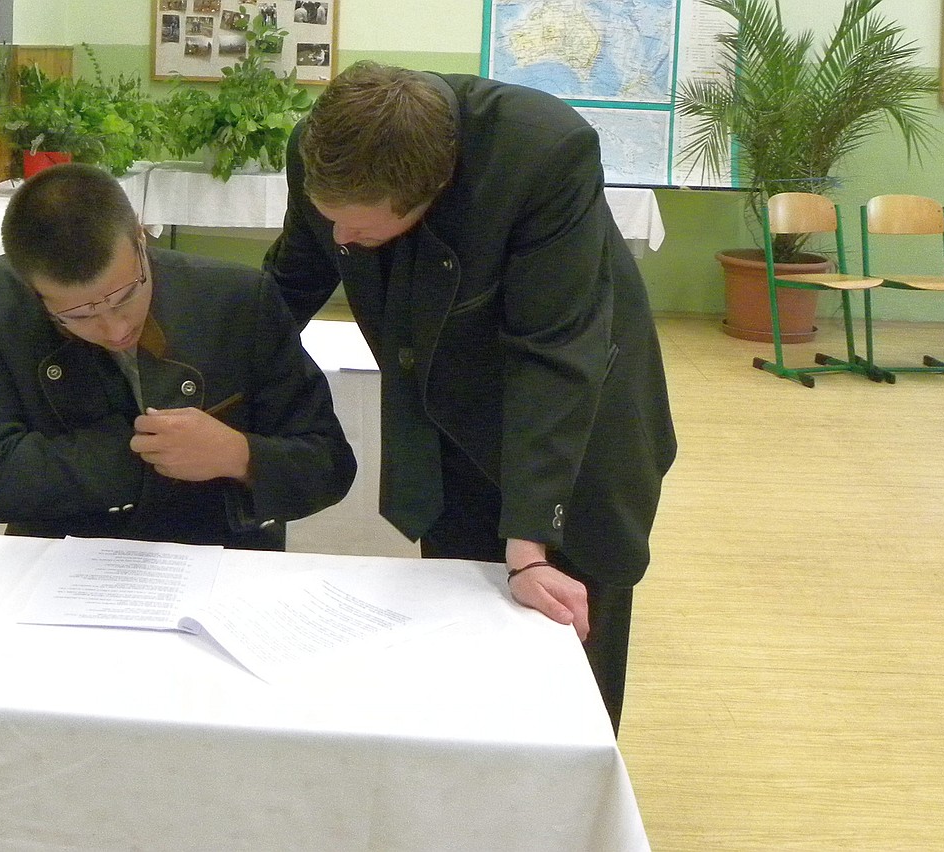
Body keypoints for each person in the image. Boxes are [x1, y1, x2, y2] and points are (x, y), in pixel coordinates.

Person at [263, 61, 678, 733]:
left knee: (563, 667)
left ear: (429, 191)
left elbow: (555, 353)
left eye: (359, 230)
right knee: (461, 651)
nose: (340, 239)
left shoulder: (543, 152)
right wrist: (211, 365)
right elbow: (293, 279)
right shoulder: (321, 150)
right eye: (331, 219)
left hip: (576, 431)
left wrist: (530, 545)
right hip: (447, 424)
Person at [0, 163, 357, 551]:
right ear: (31, 290)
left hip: (217, 553)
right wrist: (147, 452)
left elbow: (329, 465)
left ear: (141, 237)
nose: (115, 330)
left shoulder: (238, 298)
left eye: (126, 295)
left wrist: (238, 454)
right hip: (61, 556)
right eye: (79, 315)